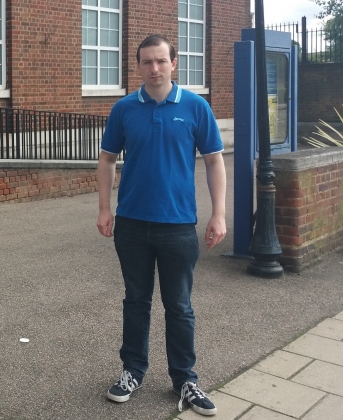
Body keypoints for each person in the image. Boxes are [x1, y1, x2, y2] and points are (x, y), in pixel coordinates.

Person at [96, 34, 227, 417]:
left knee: (180, 306)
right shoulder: (123, 110)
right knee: (136, 301)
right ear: (137, 66)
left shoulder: (195, 107)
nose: (154, 69)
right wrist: (104, 209)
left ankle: (185, 379)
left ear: (174, 63)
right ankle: (132, 371)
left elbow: (214, 161)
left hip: (178, 226)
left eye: (161, 61)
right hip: (132, 225)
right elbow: (106, 160)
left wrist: (219, 214)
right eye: (146, 62)